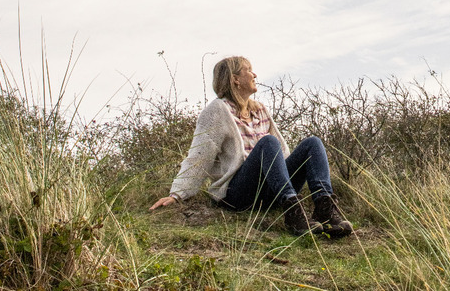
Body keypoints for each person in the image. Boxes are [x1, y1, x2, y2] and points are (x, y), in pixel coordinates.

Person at [149, 56, 353, 238]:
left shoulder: (259, 110)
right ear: (235, 79)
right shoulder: (218, 110)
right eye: (248, 70)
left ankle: (325, 208)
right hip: (238, 193)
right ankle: (293, 212)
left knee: (312, 143)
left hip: (271, 189)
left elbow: (281, 156)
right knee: (268, 142)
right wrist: (177, 194)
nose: (254, 74)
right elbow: (200, 154)